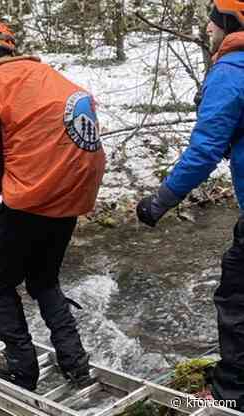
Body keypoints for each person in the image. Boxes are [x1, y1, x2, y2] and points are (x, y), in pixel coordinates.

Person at [0, 22, 106, 391]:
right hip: (71, 193)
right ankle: (76, 364)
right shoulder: (48, 75)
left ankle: (20, 366)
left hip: (30, 197)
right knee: (44, 280)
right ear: (13, 48)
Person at [136, 1, 244, 410]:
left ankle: (230, 397)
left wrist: (159, 202)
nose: (207, 29)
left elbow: (204, 151)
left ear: (229, 24)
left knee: (236, 299)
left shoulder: (232, 72)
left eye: (213, 23)